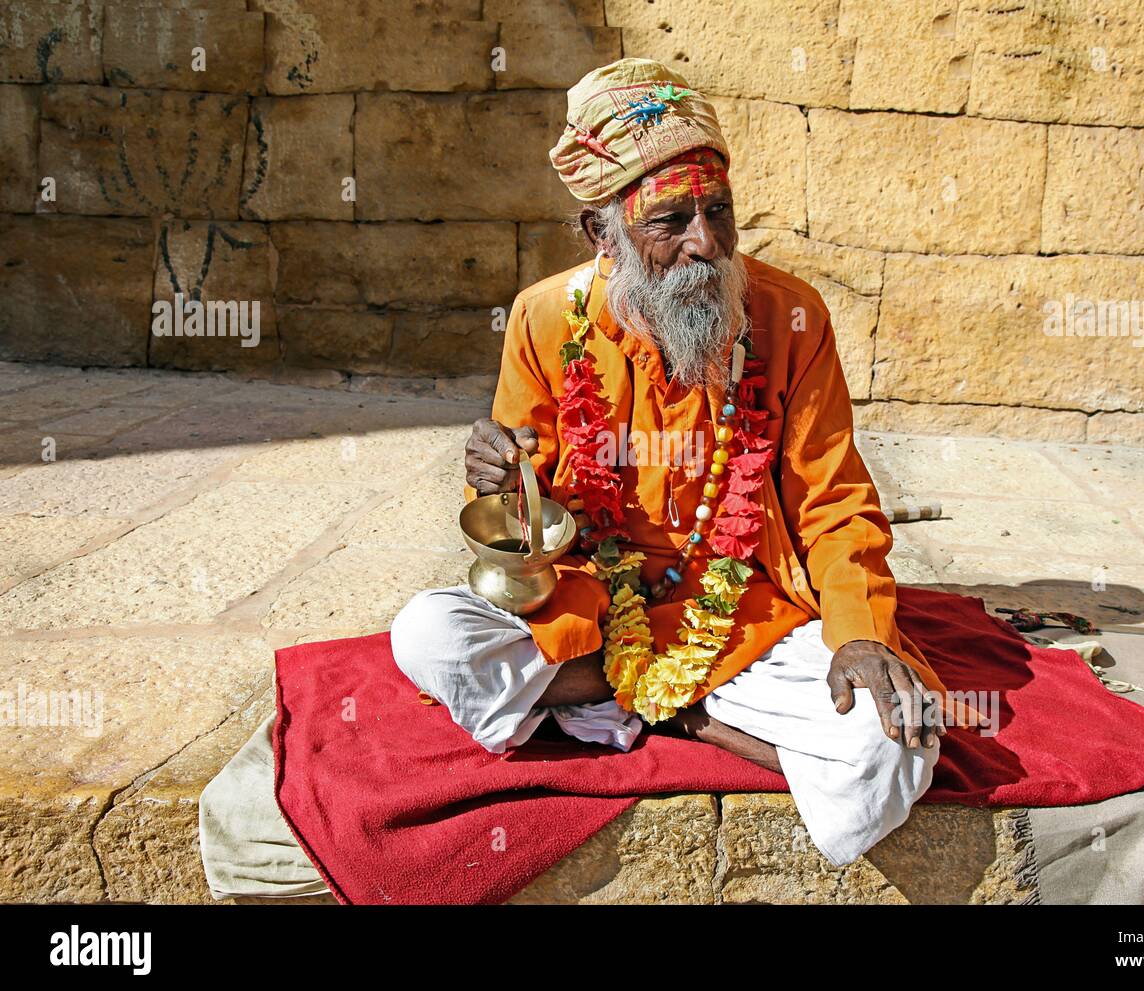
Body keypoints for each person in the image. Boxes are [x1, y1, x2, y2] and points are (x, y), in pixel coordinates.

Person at [199, 59, 965, 898]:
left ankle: (661, 709)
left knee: (898, 740)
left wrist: (858, 633)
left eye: (718, 211)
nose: (705, 243)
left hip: (746, 611)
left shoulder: (791, 316)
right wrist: (500, 482)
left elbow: (834, 500)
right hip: (592, 609)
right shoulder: (542, 318)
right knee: (428, 634)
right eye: (669, 220)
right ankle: (662, 702)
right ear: (601, 234)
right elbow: (522, 529)